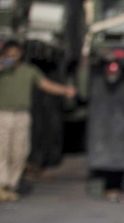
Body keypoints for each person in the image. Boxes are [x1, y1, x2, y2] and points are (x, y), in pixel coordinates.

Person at [0, 41, 76, 202]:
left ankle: (11, 184)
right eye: (9, 54)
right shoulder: (3, 70)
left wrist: (64, 90)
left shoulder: (29, 71)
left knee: (19, 150)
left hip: (22, 114)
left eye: (15, 54)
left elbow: (45, 84)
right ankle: (2, 184)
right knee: (2, 149)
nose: (12, 57)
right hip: (3, 114)